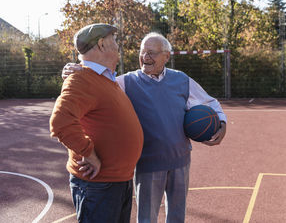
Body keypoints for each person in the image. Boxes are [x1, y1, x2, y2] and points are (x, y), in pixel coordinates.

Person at [63, 32, 227, 223]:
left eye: (152, 53)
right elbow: (95, 82)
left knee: (177, 216)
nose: (145, 57)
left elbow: (210, 102)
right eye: (143, 52)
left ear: (166, 56)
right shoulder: (125, 82)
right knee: (147, 218)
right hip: (148, 164)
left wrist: (222, 124)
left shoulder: (181, 80)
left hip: (181, 161)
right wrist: (75, 70)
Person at [50, 23, 144, 223]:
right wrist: (89, 154)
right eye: (115, 41)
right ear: (101, 45)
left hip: (116, 182)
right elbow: (60, 122)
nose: (118, 46)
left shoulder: (106, 79)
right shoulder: (81, 79)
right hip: (99, 186)